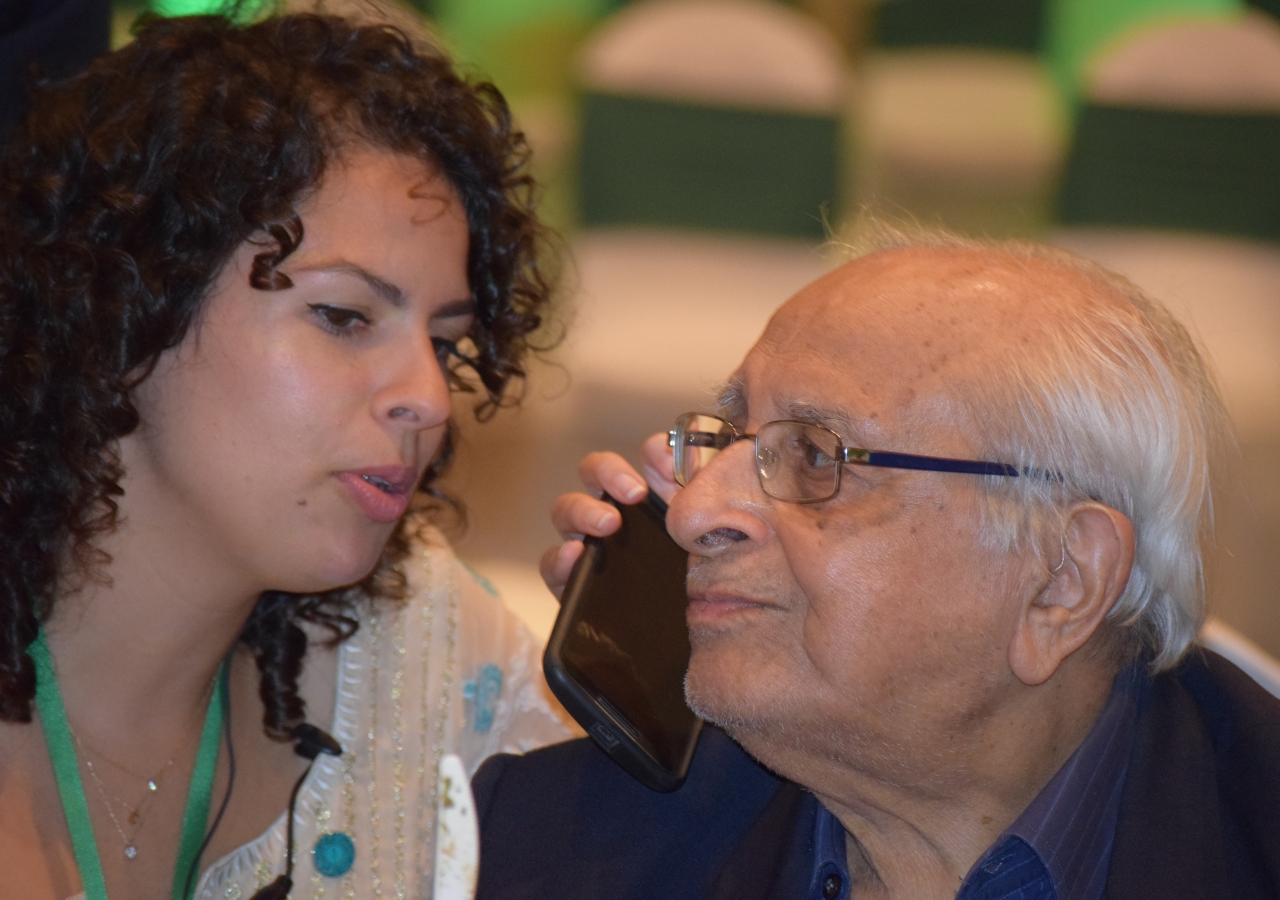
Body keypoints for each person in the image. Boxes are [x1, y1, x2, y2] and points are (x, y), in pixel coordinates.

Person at [473, 232, 1280, 899]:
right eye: (725, 437)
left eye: (817, 458)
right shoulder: (546, 849)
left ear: (1061, 578)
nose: (690, 512)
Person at [0, 10, 575, 900]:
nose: (428, 398)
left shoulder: (425, 647)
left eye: (448, 345)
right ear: (129, 303)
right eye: (343, 317)